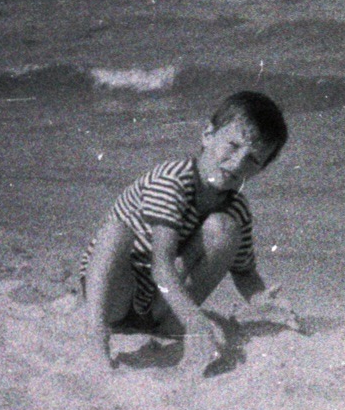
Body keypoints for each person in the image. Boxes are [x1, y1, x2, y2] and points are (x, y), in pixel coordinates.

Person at [78, 91, 292, 371]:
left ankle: (168, 324)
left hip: (162, 310)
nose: (237, 163)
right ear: (207, 135)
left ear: (261, 169)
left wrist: (262, 300)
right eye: (233, 146)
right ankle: (96, 332)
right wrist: (195, 320)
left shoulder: (236, 207)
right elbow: (160, 264)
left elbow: (244, 273)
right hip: (116, 295)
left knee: (225, 229)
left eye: (252, 159)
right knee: (116, 232)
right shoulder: (171, 180)